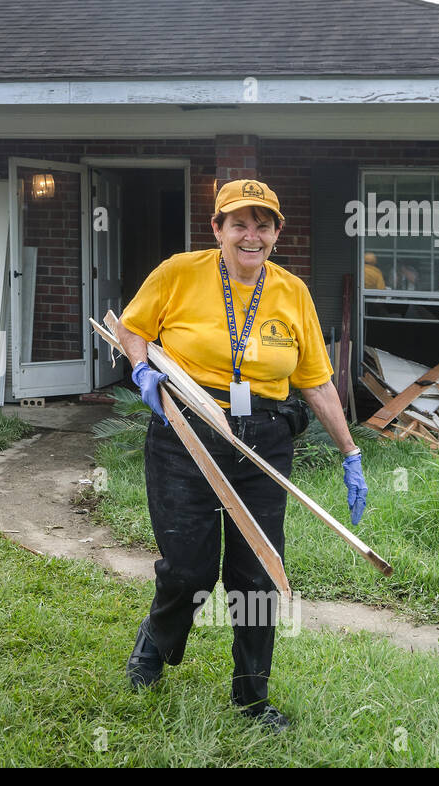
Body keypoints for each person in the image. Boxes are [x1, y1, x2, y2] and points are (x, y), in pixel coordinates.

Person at [112, 178, 367, 734]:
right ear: (218, 229)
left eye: (263, 224)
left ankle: (252, 697)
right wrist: (141, 368)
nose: (251, 235)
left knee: (257, 573)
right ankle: (153, 648)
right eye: (239, 223)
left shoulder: (292, 292)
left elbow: (318, 382)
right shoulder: (180, 272)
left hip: (265, 439)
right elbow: (132, 327)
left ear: (277, 233)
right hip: (188, 428)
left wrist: (350, 451)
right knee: (189, 568)